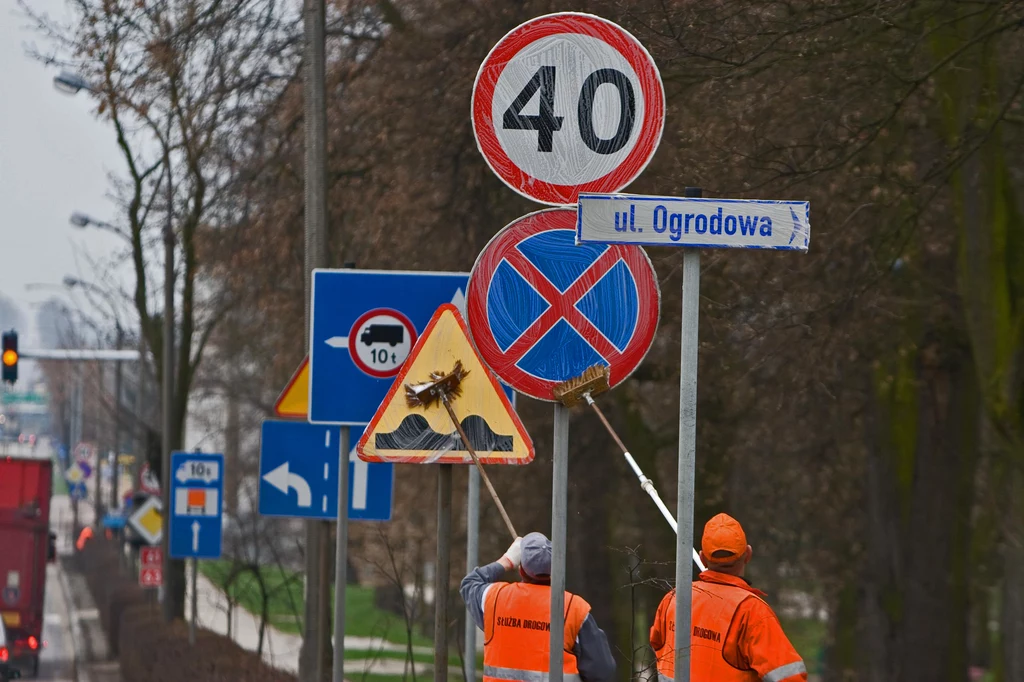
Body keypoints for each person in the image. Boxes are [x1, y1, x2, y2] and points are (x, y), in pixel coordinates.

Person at [650, 514, 807, 682]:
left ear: (702, 558)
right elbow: (790, 678)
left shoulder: (673, 598)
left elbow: (657, 643)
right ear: (748, 554)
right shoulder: (751, 612)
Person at [460, 532, 616, 682]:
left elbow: (469, 584)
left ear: (521, 569)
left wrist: (506, 561)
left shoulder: (494, 598)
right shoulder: (573, 608)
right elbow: (601, 671)